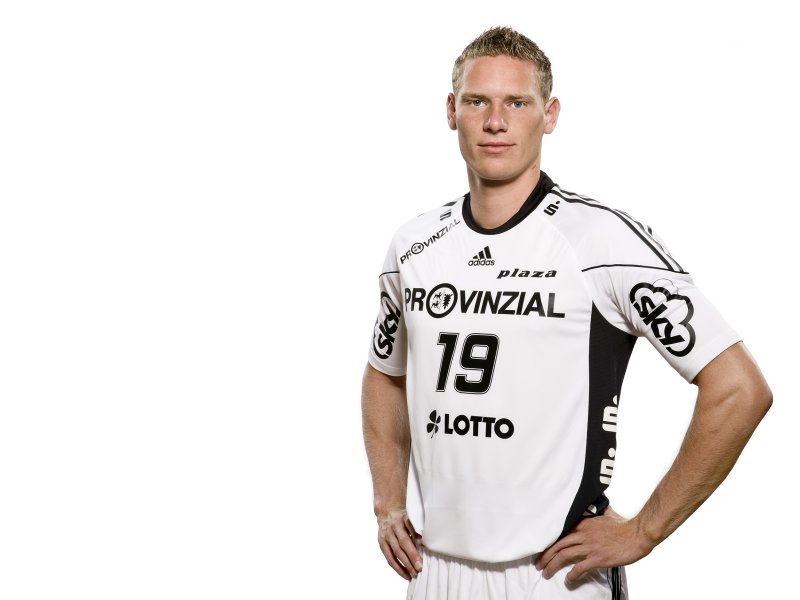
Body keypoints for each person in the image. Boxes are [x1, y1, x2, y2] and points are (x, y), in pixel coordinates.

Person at [361, 26, 771, 600]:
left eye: (517, 103)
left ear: (549, 115)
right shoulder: (413, 245)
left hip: (554, 573)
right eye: (477, 101)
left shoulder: (600, 240)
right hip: (435, 570)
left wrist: (645, 530)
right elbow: (384, 373)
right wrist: (388, 503)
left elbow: (739, 389)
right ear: (451, 112)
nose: (495, 121)